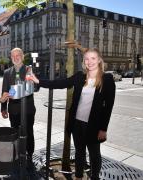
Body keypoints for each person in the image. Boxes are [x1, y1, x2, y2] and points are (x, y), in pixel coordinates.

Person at [30, 48, 116, 180]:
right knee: (79, 153)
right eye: (86, 59)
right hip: (77, 124)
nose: (89, 62)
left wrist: (103, 129)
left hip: (93, 125)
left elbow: (108, 107)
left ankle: (95, 177)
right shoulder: (79, 77)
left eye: (93, 58)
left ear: (99, 60)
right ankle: (79, 176)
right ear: (83, 61)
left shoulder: (107, 79)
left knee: (94, 155)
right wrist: (38, 81)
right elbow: (59, 83)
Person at [1, 47, 36, 163]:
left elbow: (34, 87)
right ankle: (15, 154)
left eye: (18, 56)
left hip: (28, 109)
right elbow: (4, 91)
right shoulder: (7, 73)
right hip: (14, 109)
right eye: (13, 56)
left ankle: (29, 154)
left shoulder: (28, 70)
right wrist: (3, 108)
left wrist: (14, 92)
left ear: (22, 56)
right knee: (14, 133)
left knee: (29, 133)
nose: (16, 58)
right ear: (11, 58)